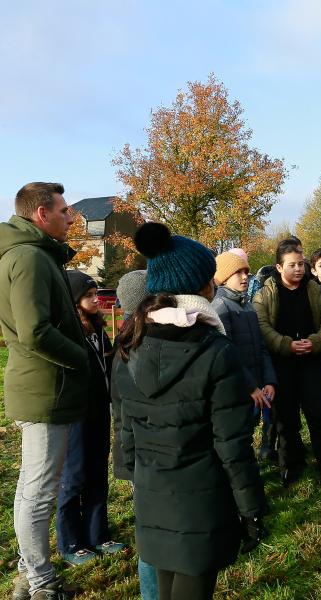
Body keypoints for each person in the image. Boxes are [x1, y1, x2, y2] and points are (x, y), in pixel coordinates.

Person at [112, 222, 266, 600]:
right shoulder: (215, 351)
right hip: (202, 497)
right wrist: (252, 508)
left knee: (166, 586)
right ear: (204, 285)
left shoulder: (129, 344)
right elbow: (232, 442)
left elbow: (124, 424)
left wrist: (130, 471)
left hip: (152, 491)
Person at [0, 182, 89, 600]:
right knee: (38, 493)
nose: (72, 217)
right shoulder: (30, 258)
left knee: (30, 489)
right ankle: (41, 583)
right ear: (41, 214)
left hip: (40, 384)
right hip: (45, 388)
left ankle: (27, 575)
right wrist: (82, 356)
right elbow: (35, 332)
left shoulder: (29, 254)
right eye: (65, 210)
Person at [253, 241, 321, 487]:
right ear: (279, 266)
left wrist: (315, 342)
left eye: (301, 264)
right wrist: (286, 344)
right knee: (286, 421)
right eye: (292, 265)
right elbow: (262, 327)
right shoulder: (266, 293)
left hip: (312, 363)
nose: (298, 269)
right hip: (282, 365)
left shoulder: (313, 290)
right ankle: (291, 469)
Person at [55, 271, 125, 566]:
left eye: (96, 294)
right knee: (74, 477)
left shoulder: (98, 329)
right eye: (89, 296)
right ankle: (70, 541)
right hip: (77, 414)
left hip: (99, 412)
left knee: (98, 473)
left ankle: (98, 534)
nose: (96, 300)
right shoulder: (67, 332)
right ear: (74, 301)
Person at [112, 269, 158, 600]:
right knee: (152, 538)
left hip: (141, 453)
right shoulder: (137, 348)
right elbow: (123, 415)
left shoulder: (126, 344)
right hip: (147, 454)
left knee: (151, 533)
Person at [212, 250, 277, 461]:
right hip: (239, 390)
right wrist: (251, 387)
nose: (245, 277)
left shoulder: (248, 306)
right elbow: (227, 354)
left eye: (246, 272)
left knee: (248, 433)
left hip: (258, 386)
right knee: (238, 439)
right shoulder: (220, 308)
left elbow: (261, 346)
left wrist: (268, 381)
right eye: (238, 272)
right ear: (223, 277)